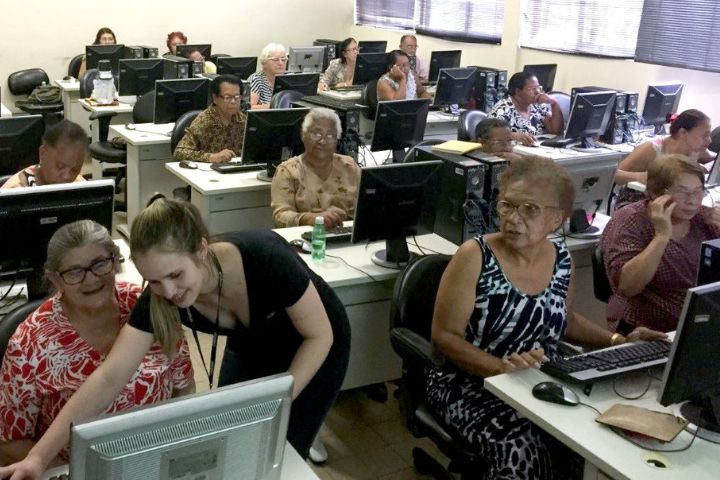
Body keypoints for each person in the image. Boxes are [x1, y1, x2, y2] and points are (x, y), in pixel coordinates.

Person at [0, 199, 351, 478]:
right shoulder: (161, 296)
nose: (169, 292)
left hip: (316, 343)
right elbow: (109, 377)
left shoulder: (263, 256)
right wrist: (37, 458)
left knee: (281, 448)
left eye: (175, 274)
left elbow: (320, 335)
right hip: (252, 344)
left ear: (200, 250)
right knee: (235, 444)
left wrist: (277, 403)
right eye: (153, 281)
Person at [425, 156, 665, 480]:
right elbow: (445, 337)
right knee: (522, 446)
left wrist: (618, 341)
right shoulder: (474, 255)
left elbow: (565, 321)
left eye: (530, 209)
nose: (513, 218)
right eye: (507, 205)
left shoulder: (561, 258)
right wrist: (502, 369)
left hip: (540, 378)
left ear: (556, 219)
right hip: (471, 382)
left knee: (587, 440)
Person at [0, 220, 194, 466]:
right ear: (55, 280)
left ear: (115, 261)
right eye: (74, 272)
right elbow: (9, 441)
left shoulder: (148, 306)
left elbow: (183, 387)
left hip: (155, 458)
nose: (90, 279)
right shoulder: (30, 342)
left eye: (100, 264)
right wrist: (76, 471)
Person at [602, 154, 720, 333]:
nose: (692, 200)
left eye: (698, 191)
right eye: (682, 192)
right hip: (645, 329)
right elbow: (628, 287)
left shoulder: (704, 219)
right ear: (656, 193)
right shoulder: (630, 221)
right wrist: (661, 237)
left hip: (701, 323)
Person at [271, 107, 360, 228]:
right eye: (317, 134)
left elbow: (369, 204)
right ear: (303, 135)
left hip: (347, 236)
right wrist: (308, 219)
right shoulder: (288, 170)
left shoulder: (349, 166)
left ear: (336, 141)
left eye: (330, 135)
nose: (322, 141)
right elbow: (280, 216)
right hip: (308, 237)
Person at [614, 109, 714, 208]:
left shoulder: (696, 150)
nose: (709, 140)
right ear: (683, 133)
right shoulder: (651, 149)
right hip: (636, 203)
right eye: (704, 135)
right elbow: (614, 175)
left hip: (673, 202)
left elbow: (715, 161)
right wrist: (639, 177)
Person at [173, 75, 246, 164]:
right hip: (206, 172)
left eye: (237, 97)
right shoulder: (204, 120)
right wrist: (211, 157)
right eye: (227, 97)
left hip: (236, 171)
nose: (233, 101)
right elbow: (179, 152)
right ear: (215, 98)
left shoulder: (243, 120)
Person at [1, 120, 87, 189]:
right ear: (42, 153)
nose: (66, 176)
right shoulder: (15, 191)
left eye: (74, 170)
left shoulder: (79, 184)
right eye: (60, 167)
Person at [488, 71, 564, 146]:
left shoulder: (537, 106)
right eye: (533, 89)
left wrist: (554, 103)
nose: (538, 92)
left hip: (536, 149)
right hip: (510, 151)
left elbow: (555, 131)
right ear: (518, 92)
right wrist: (514, 136)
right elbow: (490, 134)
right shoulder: (503, 108)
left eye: (538, 88)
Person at [248, 43, 288, 109]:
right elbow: (250, 107)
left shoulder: (289, 78)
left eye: (283, 59)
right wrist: (277, 105)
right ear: (264, 62)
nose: (281, 63)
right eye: (275, 60)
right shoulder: (255, 79)